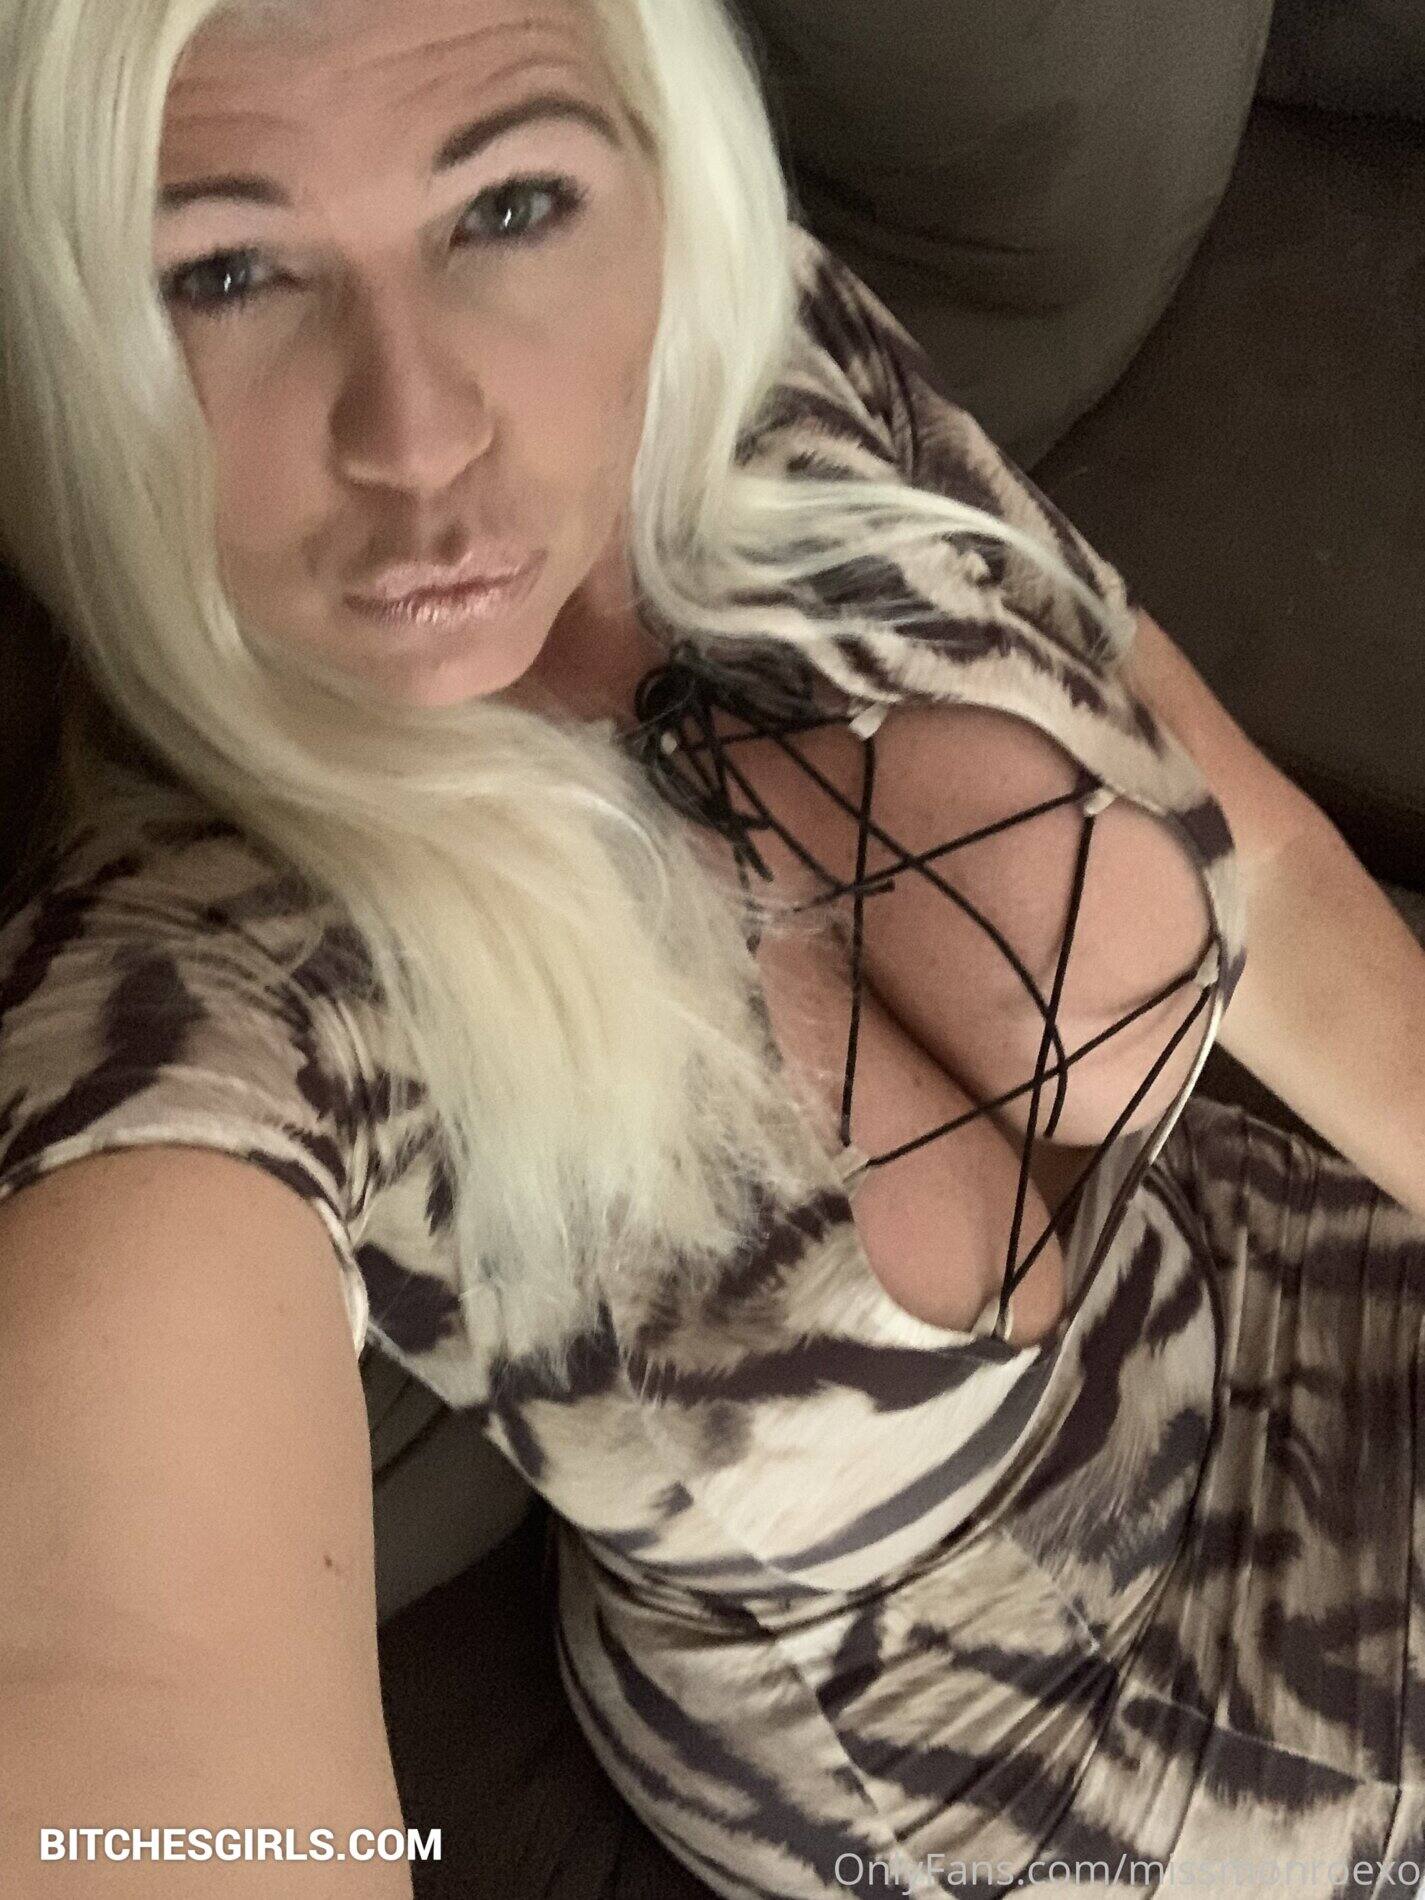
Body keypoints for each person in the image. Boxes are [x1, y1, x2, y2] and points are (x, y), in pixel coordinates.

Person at [0, 2, 1423, 1897]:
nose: (417, 435)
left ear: (661, 184)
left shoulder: (774, 371)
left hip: (1246, 1277)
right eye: (227, 270)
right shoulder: (204, 974)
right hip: (1018, 1722)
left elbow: (1270, 873)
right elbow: (126, 1697)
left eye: (508, 207)